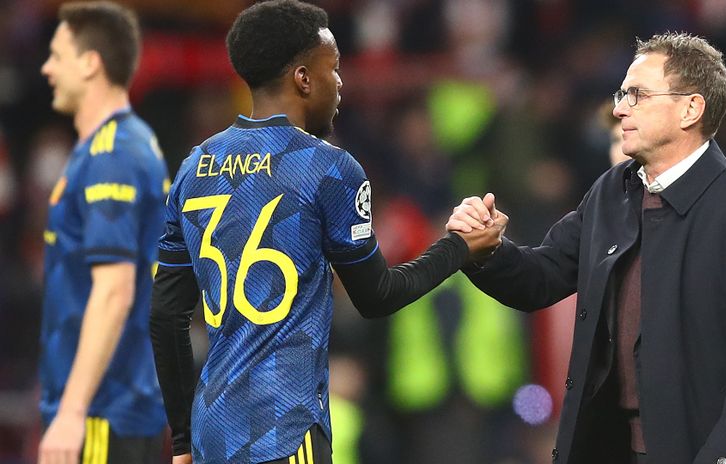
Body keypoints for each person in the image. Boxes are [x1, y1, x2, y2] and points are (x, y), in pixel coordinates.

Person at [148, 2, 501, 464]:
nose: (340, 83)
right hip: (286, 430)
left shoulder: (195, 168)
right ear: (303, 78)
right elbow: (377, 295)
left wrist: (182, 439)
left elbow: (165, 315)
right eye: (333, 68)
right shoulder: (329, 169)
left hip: (213, 432)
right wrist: (460, 248)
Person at [448, 32, 726, 464]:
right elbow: (541, 278)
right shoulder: (612, 191)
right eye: (621, 93)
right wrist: (487, 250)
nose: (618, 109)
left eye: (637, 94)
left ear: (691, 108)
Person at [38, 2, 169, 463]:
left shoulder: (114, 153)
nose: (46, 67)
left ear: (91, 63)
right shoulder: (111, 146)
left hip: (103, 414)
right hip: (106, 408)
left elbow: (114, 291)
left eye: (57, 54)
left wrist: (72, 412)